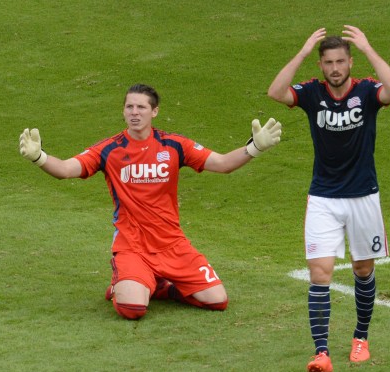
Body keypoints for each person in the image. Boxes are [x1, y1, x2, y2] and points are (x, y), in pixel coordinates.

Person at [19, 83, 281, 320]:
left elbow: (223, 164)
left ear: (154, 112)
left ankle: (160, 286)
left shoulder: (174, 145)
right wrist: (39, 157)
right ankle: (123, 279)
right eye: (129, 107)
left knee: (218, 301)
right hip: (132, 245)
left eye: (141, 107)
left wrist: (254, 148)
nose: (135, 112)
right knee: (132, 310)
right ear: (123, 111)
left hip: (172, 243)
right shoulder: (109, 149)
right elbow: (65, 169)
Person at [267, 25, 390, 372]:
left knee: (363, 270)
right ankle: (321, 352)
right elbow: (275, 91)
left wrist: (370, 48)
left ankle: (360, 337)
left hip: (363, 197)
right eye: (328, 62)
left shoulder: (368, 91)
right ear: (322, 65)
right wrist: (300, 52)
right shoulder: (312, 93)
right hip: (323, 198)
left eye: (341, 61)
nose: (335, 68)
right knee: (319, 273)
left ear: (350, 62)